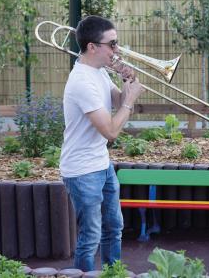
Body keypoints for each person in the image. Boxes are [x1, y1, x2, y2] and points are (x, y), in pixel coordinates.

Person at [60, 15, 144, 271]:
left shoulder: (98, 72)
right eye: (113, 44)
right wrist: (130, 101)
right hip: (82, 169)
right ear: (92, 47)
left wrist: (127, 81)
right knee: (90, 237)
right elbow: (110, 131)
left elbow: (118, 102)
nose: (117, 50)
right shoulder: (82, 81)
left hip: (101, 164)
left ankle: (112, 274)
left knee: (114, 228)